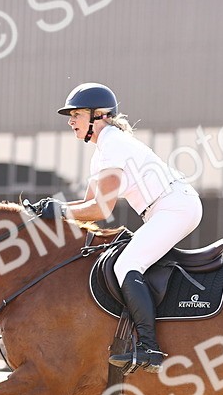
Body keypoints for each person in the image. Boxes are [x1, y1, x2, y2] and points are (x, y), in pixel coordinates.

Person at [49, 82, 202, 372]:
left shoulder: (114, 145)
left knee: (126, 264)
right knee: (126, 261)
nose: (71, 121)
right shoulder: (102, 151)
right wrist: (51, 215)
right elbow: (88, 212)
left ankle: (149, 348)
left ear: (100, 115)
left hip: (175, 207)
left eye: (77, 114)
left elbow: (100, 209)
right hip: (166, 208)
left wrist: (57, 210)